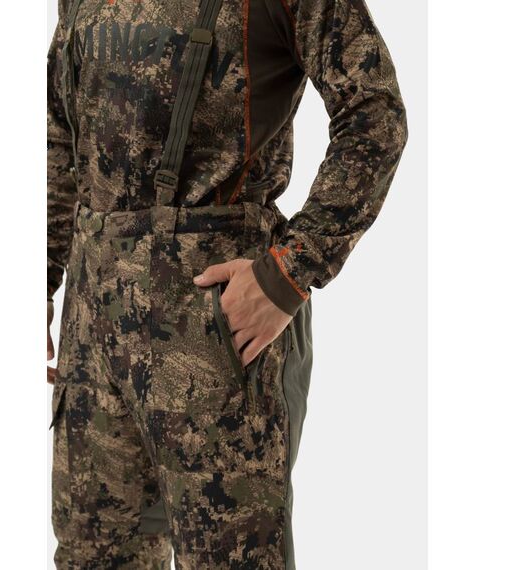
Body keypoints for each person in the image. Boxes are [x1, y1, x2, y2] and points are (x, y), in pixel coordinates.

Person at [47, 0, 407, 567]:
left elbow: (374, 112)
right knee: (91, 555)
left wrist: (289, 271)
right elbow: (60, 136)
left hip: (214, 332)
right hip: (90, 331)